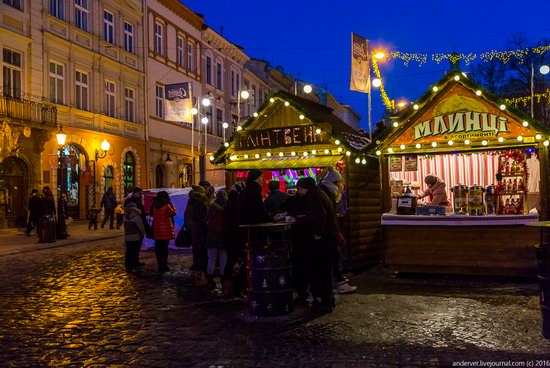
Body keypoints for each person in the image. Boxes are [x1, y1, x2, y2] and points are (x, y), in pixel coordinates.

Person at [296, 177, 338, 314]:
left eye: (300, 189)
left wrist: (317, 232)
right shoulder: (321, 193)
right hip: (330, 236)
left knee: (322, 270)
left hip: (324, 238)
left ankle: (324, 302)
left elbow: (319, 216)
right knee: (325, 270)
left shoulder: (314, 196)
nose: (299, 192)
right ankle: (327, 299)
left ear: (304, 188)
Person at [319, 167, 357, 294]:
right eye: (339, 183)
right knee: (333, 257)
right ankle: (334, 286)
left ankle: (335, 283)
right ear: (333, 183)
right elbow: (325, 215)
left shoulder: (327, 192)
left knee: (333, 257)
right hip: (327, 233)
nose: (341, 186)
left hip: (329, 232)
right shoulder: (326, 194)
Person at [223, 181, 245, 296]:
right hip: (236, 236)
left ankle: (227, 286)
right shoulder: (236, 204)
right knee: (241, 260)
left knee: (230, 260)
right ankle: (236, 287)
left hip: (227, 236)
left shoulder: (228, 203)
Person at [184, 185, 209, 285]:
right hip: (198, 228)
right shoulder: (199, 202)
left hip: (193, 227)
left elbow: (187, 214)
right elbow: (199, 217)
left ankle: (196, 265)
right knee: (200, 247)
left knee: (196, 247)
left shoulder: (191, 201)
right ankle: (199, 270)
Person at [205, 189, 228, 288]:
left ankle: (209, 277)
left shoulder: (212, 206)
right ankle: (223, 277)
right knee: (224, 258)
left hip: (212, 235)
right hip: (224, 236)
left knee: (211, 258)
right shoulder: (228, 206)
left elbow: (206, 220)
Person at [150, 191, 176, 273]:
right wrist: (171, 204)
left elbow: (151, 213)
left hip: (157, 229)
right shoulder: (167, 205)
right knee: (164, 248)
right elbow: (173, 212)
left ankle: (159, 265)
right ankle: (164, 264)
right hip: (165, 230)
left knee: (158, 248)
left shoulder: (154, 205)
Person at [124, 187, 148, 266]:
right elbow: (140, 225)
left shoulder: (126, 216)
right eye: (139, 193)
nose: (141, 195)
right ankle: (134, 262)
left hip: (128, 234)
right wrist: (143, 232)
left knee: (129, 248)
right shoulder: (132, 202)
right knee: (135, 247)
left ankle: (129, 263)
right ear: (134, 193)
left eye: (141, 193)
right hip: (136, 230)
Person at [123, 202, 145, 272]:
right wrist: (142, 234)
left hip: (127, 237)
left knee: (128, 252)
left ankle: (128, 266)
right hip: (136, 237)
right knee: (135, 252)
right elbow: (141, 227)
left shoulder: (125, 217)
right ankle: (134, 266)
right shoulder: (137, 217)